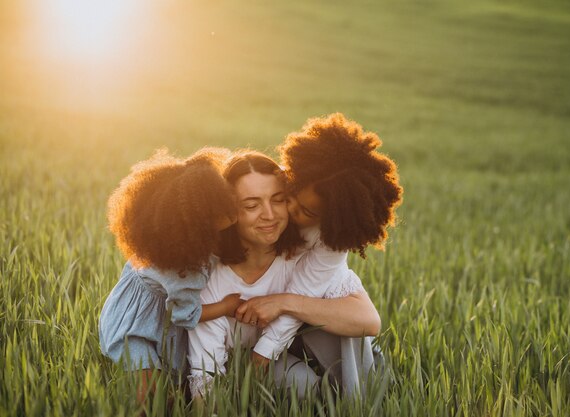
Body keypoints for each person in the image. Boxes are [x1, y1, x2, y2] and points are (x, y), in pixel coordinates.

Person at [186, 151, 381, 398]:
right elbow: (205, 370)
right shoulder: (209, 272)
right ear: (229, 213)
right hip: (245, 360)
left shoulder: (307, 252)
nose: (269, 214)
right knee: (303, 386)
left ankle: (360, 402)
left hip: (305, 354)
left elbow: (368, 321)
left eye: (278, 200)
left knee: (314, 379)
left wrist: (284, 303)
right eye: (251, 205)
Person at [239, 113, 403, 396]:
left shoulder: (332, 237)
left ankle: (357, 397)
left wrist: (264, 351)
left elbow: (305, 293)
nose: (291, 211)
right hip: (259, 325)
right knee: (300, 386)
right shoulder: (270, 190)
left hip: (311, 322)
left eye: (308, 212)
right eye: (289, 197)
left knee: (339, 381)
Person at [99, 147, 242, 403]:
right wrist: (226, 306)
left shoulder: (160, 241)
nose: (233, 212)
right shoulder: (183, 267)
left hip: (139, 312)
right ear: (197, 221)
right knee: (149, 395)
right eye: (221, 210)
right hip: (133, 328)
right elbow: (187, 315)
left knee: (168, 385)